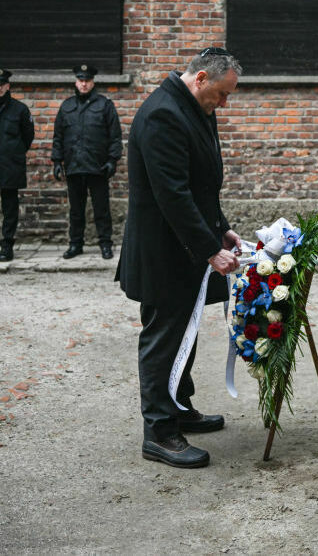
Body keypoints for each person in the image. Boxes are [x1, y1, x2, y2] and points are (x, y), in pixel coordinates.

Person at [116, 47, 242, 469]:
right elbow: (173, 194)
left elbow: (202, 183)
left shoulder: (197, 107)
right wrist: (210, 250)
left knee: (184, 331)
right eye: (223, 94)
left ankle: (179, 407)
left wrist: (220, 227)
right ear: (202, 77)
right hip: (162, 252)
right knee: (163, 338)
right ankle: (159, 431)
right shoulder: (162, 115)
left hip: (186, 248)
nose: (225, 104)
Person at [51, 64, 122, 259]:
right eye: (81, 80)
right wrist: (57, 161)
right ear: (76, 81)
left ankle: (105, 244)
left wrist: (112, 160)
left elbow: (115, 136)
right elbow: (58, 135)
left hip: (97, 167)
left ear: (92, 82)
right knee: (76, 210)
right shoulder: (67, 106)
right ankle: (75, 244)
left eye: (87, 81)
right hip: (74, 165)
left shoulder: (105, 105)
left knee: (101, 209)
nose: (83, 84)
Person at [0, 69, 35, 262]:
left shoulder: (19, 110)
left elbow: (27, 136)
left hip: (9, 165)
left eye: (1, 85)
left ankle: (7, 245)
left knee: (10, 207)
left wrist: (14, 152)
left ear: (7, 85)